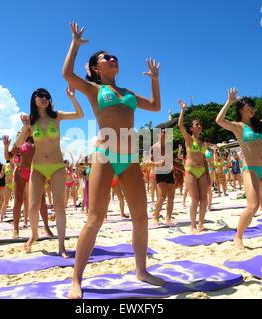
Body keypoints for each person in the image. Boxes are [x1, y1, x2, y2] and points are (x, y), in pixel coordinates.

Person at [63, 22, 165, 299]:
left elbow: (155, 106)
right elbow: (67, 74)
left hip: (130, 159)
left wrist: (154, 79)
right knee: (95, 219)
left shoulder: (129, 92)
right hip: (105, 156)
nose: (112, 59)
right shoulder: (95, 91)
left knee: (141, 218)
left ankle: (141, 270)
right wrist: (75, 43)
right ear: (96, 68)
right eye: (106, 58)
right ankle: (76, 278)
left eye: (113, 57)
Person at [16, 85, 83, 255]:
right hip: (38, 167)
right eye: (40, 96)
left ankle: (61, 246)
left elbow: (80, 115)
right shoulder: (32, 121)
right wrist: (26, 125)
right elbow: (18, 144)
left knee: (59, 206)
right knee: (32, 206)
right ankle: (35, 234)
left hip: (57, 166)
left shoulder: (57, 116)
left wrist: (72, 98)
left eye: (46, 96)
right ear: (34, 100)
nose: (43, 98)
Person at [216, 83, 262, 250]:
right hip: (250, 168)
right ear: (241, 110)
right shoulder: (239, 127)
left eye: (253, 107)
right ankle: (238, 236)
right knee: (253, 206)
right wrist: (229, 102)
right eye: (248, 107)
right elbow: (219, 120)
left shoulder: (259, 125)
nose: (252, 110)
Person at [178, 100, 210, 233]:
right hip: (190, 171)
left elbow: (204, 160)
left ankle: (201, 223)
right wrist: (183, 110)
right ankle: (192, 225)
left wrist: (208, 175)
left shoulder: (202, 143)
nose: (199, 126)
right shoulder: (189, 140)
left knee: (204, 199)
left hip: (202, 171)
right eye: (197, 125)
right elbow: (180, 125)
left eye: (200, 124)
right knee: (195, 199)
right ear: (192, 128)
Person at [149, 129, 176, 225]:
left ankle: (168, 218)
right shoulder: (154, 147)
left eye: (166, 132)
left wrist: (173, 166)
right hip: (159, 172)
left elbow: (172, 160)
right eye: (163, 132)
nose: (165, 134)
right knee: (162, 196)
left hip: (169, 172)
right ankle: (156, 217)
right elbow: (147, 162)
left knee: (171, 197)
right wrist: (157, 163)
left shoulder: (169, 147)